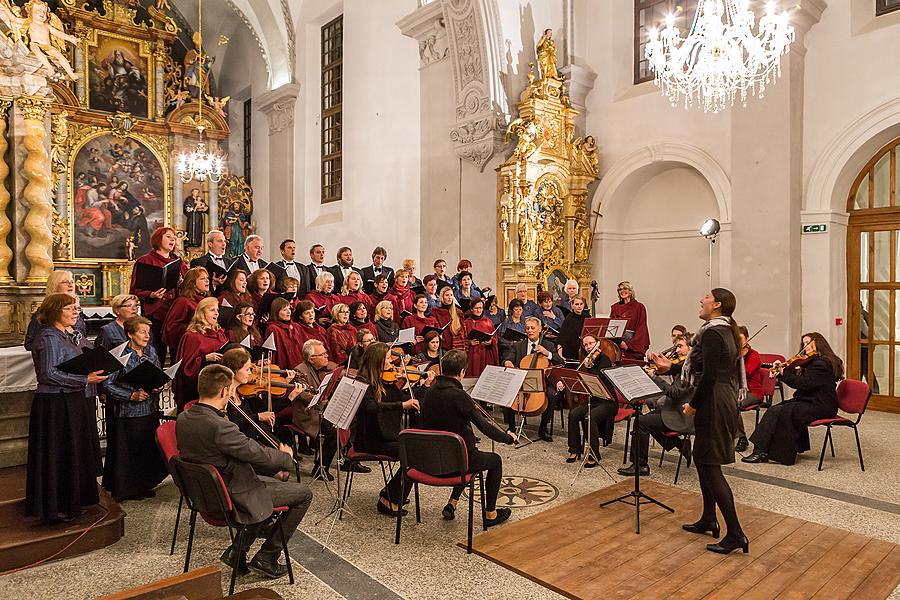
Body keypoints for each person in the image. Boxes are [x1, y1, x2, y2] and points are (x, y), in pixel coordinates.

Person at [177, 365, 313, 579]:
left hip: (206, 490)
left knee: (266, 482)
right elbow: (255, 453)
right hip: (232, 493)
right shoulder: (220, 426)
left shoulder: (184, 418)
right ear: (224, 391)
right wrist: (285, 457)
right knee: (304, 494)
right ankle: (268, 555)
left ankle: (236, 552)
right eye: (230, 389)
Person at [649, 288, 747, 555]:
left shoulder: (714, 332)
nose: (700, 300)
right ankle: (708, 518)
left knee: (711, 467)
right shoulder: (720, 330)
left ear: (717, 304)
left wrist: (693, 405)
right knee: (704, 462)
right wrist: (671, 368)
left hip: (714, 401)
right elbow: (702, 367)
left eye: (705, 297)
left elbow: (711, 376)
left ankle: (736, 533)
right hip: (717, 397)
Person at [27, 293, 106, 524]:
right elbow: (48, 374)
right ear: (54, 312)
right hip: (55, 404)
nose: (76, 312)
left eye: (77, 308)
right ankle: (57, 506)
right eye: (70, 308)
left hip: (73, 400)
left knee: (73, 452)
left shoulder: (72, 334)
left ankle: (74, 500)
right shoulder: (48, 336)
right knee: (58, 454)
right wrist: (84, 380)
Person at [420, 349, 516, 526]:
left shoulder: (430, 391)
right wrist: (507, 438)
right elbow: (484, 427)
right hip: (457, 463)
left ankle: (452, 504)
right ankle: (491, 514)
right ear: (463, 372)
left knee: (470, 454)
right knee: (494, 461)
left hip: (431, 460)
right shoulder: (460, 396)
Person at [743, 333, 843, 466]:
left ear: (818, 343)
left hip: (821, 405)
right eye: (803, 344)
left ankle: (762, 452)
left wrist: (785, 373)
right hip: (811, 400)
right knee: (775, 409)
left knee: (782, 412)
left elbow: (802, 384)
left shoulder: (822, 364)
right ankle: (764, 450)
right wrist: (785, 368)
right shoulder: (815, 361)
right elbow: (804, 379)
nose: (805, 347)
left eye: (808, 343)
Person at [351, 343, 426, 516]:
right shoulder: (363, 382)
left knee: (415, 451)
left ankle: (391, 492)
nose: (392, 362)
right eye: (388, 358)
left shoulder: (386, 379)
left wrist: (425, 387)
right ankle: (389, 499)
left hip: (386, 435)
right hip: (369, 440)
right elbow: (370, 407)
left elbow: (407, 399)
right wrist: (401, 405)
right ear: (377, 361)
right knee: (413, 455)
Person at [101, 316, 167, 501]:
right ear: (130, 334)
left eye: (148, 332)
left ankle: (143, 485)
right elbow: (107, 384)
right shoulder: (119, 354)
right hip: (127, 412)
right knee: (128, 452)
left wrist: (158, 386)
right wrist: (130, 396)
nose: (147, 336)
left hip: (149, 408)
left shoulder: (151, 351)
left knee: (144, 449)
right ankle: (126, 489)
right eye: (142, 332)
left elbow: (157, 374)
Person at [619, 334, 693, 476]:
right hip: (672, 409)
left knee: (641, 422)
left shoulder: (689, 369)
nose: (677, 350)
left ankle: (640, 465)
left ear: (690, 349)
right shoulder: (683, 366)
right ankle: (679, 444)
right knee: (645, 420)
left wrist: (654, 377)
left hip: (681, 414)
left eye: (680, 346)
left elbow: (674, 393)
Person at [129, 227, 188, 365]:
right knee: (156, 353)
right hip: (155, 315)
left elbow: (189, 284)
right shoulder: (145, 261)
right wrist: (151, 294)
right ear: (158, 239)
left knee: (177, 354)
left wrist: (182, 282)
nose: (172, 239)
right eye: (168, 236)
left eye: (174, 237)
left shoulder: (178, 262)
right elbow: (135, 290)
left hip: (176, 315)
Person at [501, 316, 564, 441]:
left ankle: (543, 427)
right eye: (527, 328)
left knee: (553, 395)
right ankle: (512, 427)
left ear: (540, 329)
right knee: (507, 392)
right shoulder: (518, 346)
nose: (530, 330)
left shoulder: (549, 345)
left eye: (532, 328)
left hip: (543, 382)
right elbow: (507, 359)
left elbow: (561, 361)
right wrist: (507, 362)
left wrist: (548, 353)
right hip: (522, 381)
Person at [290, 340, 341, 481]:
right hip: (307, 415)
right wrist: (326, 402)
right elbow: (305, 396)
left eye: (326, 353)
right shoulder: (299, 371)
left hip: (319, 410)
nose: (326, 356)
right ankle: (320, 467)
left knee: (344, 421)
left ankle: (344, 459)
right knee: (333, 432)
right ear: (312, 359)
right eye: (322, 354)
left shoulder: (319, 369)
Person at [565, 335, 616, 466]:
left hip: (608, 401)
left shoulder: (604, 359)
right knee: (573, 414)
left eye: (591, 343)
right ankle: (575, 449)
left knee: (589, 418)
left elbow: (599, 379)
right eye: (586, 345)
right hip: (594, 400)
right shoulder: (586, 360)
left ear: (598, 343)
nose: (588, 347)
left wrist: (589, 368)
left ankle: (594, 454)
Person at [174, 297, 229, 412]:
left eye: (217, 310)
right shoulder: (192, 336)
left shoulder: (220, 333)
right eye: (212, 310)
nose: (216, 313)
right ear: (202, 312)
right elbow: (186, 368)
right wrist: (205, 358)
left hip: (221, 385)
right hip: (199, 389)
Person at [221, 347, 280, 443]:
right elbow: (233, 424)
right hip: (242, 443)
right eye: (247, 369)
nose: (250, 373)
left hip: (253, 438)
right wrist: (258, 417)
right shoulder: (224, 396)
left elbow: (262, 409)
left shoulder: (242, 391)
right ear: (234, 370)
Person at [24, 270, 87, 350]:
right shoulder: (45, 312)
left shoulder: (78, 311)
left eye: (72, 281)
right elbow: (29, 344)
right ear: (55, 285)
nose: (70, 285)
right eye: (65, 282)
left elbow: (82, 336)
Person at [162, 267, 209, 357]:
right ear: (193, 284)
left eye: (207, 278)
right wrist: (195, 327)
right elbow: (171, 328)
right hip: (186, 349)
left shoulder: (205, 300)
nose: (207, 281)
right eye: (202, 278)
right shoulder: (183, 302)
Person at [734, 325, 765, 452]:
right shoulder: (734, 354)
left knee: (733, 403)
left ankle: (742, 438)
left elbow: (744, 374)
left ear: (747, 339)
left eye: (741, 339)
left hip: (753, 392)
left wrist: (738, 359)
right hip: (736, 391)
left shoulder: (754, 355)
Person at [610, 281, 650, 361]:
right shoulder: (615, 307)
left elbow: (642, 327)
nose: (622, 291)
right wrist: (620, 342)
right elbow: (611, 327)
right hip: (619, 344)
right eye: (620, 290)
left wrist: (630, 345)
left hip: (634, 343)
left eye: (625, 288)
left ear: (630, 291)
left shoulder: (639, 307)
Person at [265, 297, 304, 370]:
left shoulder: (296, 326)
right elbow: (275, 355)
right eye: (285, 310)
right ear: (276, 312)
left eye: (289, 309)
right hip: (284, 369)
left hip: (300, 367)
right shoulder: (273, 328)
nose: (289, 312)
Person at [190, 230, 232, 295]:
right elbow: (194, 287)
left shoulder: (230, 262)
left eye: (224, 241)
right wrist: (213, 284)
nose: (224, 244)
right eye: (220, 241)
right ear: (210, 244)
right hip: (208, 299)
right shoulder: (198, 262)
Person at [464, 298, 498, 377]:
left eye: (480, 308)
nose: (479, 310)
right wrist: (469, 342)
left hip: (486, 354)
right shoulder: (466, 323)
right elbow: (461, 340)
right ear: (471, 309)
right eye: (476, 308)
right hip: (472, 355)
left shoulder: (488, 322)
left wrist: (491, 342)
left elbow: (495, 337)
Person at [433, 285, 467, 352]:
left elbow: (464, 332)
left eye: (451, 295)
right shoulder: (436, 312)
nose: (449, 297)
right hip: (443, 345)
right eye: (447, 295)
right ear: (442, 297)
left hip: (457, 347)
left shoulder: (458, 312)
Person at [555, 296, 589, 360]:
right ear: (572, 305)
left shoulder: (587, 316)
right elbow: (562, 338)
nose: (579, 306)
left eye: (581, 304)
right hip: (572, 351)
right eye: (576, 304)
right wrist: (560, 355)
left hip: (586, 349)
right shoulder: (569, 319)